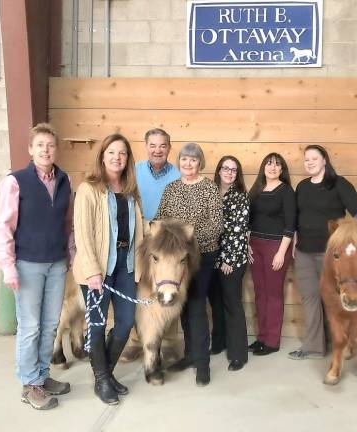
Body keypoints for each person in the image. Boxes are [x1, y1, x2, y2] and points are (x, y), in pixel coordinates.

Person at [0, 123, 74, 410]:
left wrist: (72, 255)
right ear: (30, 149)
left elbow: (68, 224)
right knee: (30, 327)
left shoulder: (65, 181)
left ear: (56, 149)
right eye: (40, 145)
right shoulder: (16, 182)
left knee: (51, 325)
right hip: (27, 264)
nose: (45, 150)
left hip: (56, 264)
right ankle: (29, 384)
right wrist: (8, 266)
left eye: (50, 145)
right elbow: (3, 226)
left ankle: (41, 375)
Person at [73, 133, 147, 405]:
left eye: (123, 153)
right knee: (97, 324)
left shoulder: (130, 191)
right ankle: (103, 381)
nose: (117, 157)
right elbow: (83, 234)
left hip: (126, 264)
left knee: (126, 322)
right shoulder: (89, 189)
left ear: (128, 159)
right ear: (103, 155)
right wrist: (93, 271)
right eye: (112, 152)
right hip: (99, 268)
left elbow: (142, 228)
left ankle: (105, 373)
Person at [155, 142, 223, 386]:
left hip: (202, 257)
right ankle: (189, 356)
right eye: (184, 159)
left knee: (195, 306)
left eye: (193, 160)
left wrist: (184, 239)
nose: (188, 163)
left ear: (199, 163)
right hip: (175, 262)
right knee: (182, 308)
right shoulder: (171, 188)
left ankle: (202, 365)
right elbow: (161, 218)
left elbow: (216, 225)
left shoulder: (209, 189)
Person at [289, 145, 357, 360]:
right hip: (304, 253)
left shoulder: (339, 184)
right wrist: (294, 239)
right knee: (310, 299)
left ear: (324, 161)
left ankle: (345, 344)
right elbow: (296, 217)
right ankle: (313, 346)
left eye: (314, 158)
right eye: (306, 159)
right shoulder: (302, 187)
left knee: (336, 299)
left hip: (331, 255)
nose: (309, 162)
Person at [248, 153, 296, 356]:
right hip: (254, 246)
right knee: (260, 293)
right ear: (263, 167)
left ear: (282, 170)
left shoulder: (286, 191)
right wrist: (246, 243)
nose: (273, 167)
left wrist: (281, 253)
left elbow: (290, 224)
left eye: (277, 165)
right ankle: (261, 337)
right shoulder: (256, 190)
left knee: (273, 294)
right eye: (269, 163)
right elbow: (248, 220)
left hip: (276, 246)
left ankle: (272, 341)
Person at [208, 156, 249, 371]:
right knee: (215, 302)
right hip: (211, 258)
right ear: (219, 170)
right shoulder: (210, 192)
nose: (229, 172)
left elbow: (237, 230)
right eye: (226, 168)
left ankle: (238, 353)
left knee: (232, 303)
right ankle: (219, 342)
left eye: (234, 169)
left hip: (231, 260)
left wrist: (228, 259)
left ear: (237, 174)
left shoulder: (240, 196)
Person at [135, 128, 180, 221]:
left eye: (162, 146)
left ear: (169, 148)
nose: (157, 150)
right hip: (138, 231)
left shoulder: (179, 176)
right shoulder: (134, 170)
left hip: (166, 233)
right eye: (152, 146)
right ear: (146, 147)